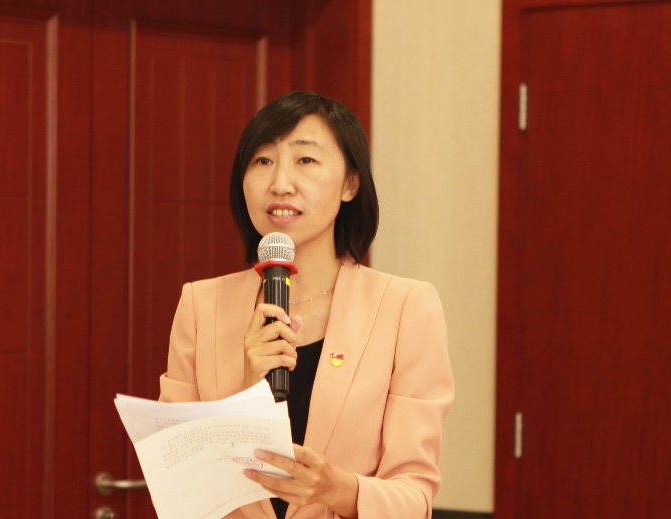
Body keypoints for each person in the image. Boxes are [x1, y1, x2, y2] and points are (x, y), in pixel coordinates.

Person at [158, 91, 454, 519]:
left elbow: (415, 496)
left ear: (350, 184)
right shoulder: (201, 306)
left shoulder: (406, 307)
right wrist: (246, 394)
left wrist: (339, 490)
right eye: (263, 160)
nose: (280, 183)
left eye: (305, 160)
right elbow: (178, 486)